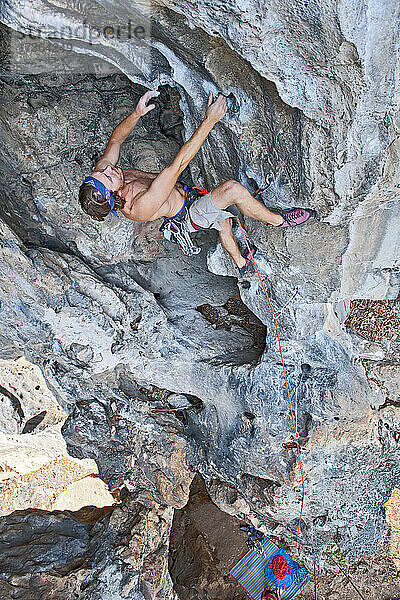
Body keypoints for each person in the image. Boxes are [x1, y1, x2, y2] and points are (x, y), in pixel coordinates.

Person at [79, 90, 315, 274]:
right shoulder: (139, 206)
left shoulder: (103, 175)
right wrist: (210, 120)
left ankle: (242, 263)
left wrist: (137, 114)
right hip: (188, 214)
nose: (109, 168)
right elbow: (178, 165)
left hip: (187, 194)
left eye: (102, 171)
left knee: (224, 224)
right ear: (113, 196)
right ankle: (278, 221)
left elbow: (116, 139)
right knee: (232, 190)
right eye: (108, 176)